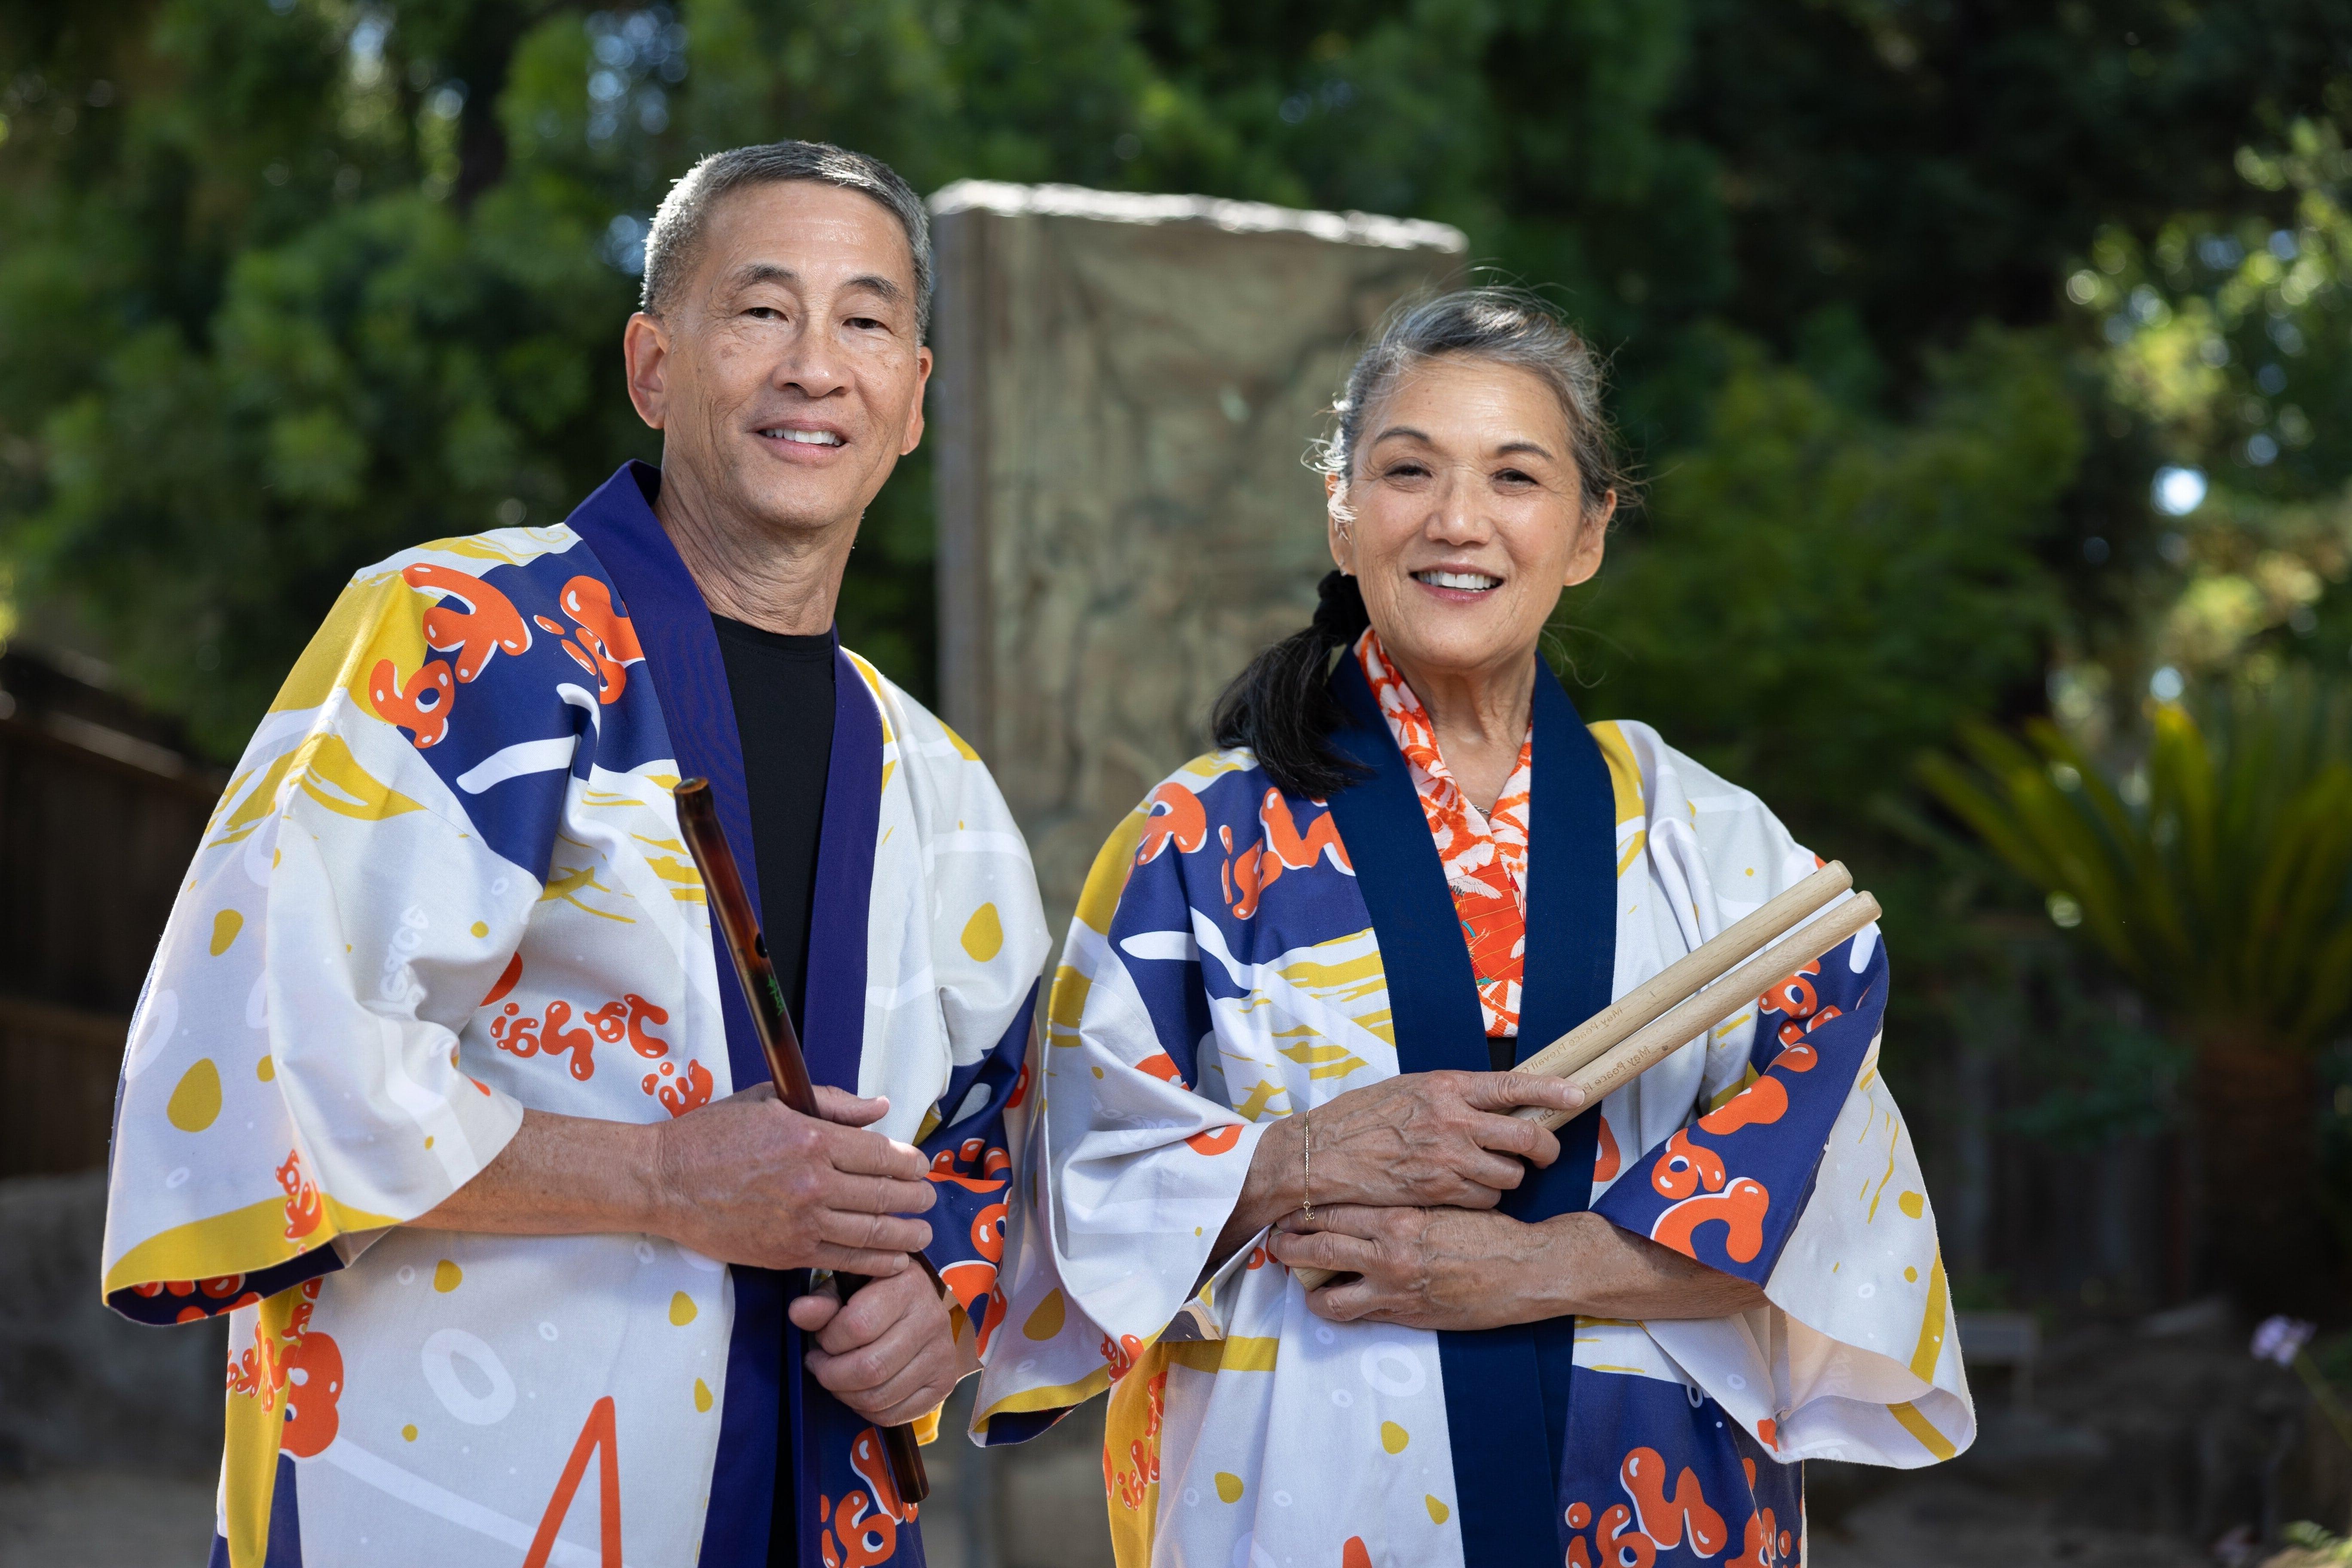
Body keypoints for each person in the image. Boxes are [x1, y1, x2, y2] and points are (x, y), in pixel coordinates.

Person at [99, 141, 1047, 1568]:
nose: (815, 366)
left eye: (866, 321)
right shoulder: (454, 639)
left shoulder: (944, 785)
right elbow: (260, 1060)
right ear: (654, 365)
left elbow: (1009, 1141)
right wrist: (665, 1178)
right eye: (761, 310)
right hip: (461, 1488)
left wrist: (942, 1304)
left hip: (813, 1504)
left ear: (913, 398)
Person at [972, 289, 1973, 1568]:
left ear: (1590, 529)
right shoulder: (1195, 845)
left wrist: (1540, 1268)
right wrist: (1300, 1157)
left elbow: (1830, 1192)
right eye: (1407, 472)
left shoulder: (1725, 856)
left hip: (1653, 1504)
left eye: (1515, 476)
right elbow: (1058, 1206)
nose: (1458, 521)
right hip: (1305, 1495)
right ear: (1342, 513)